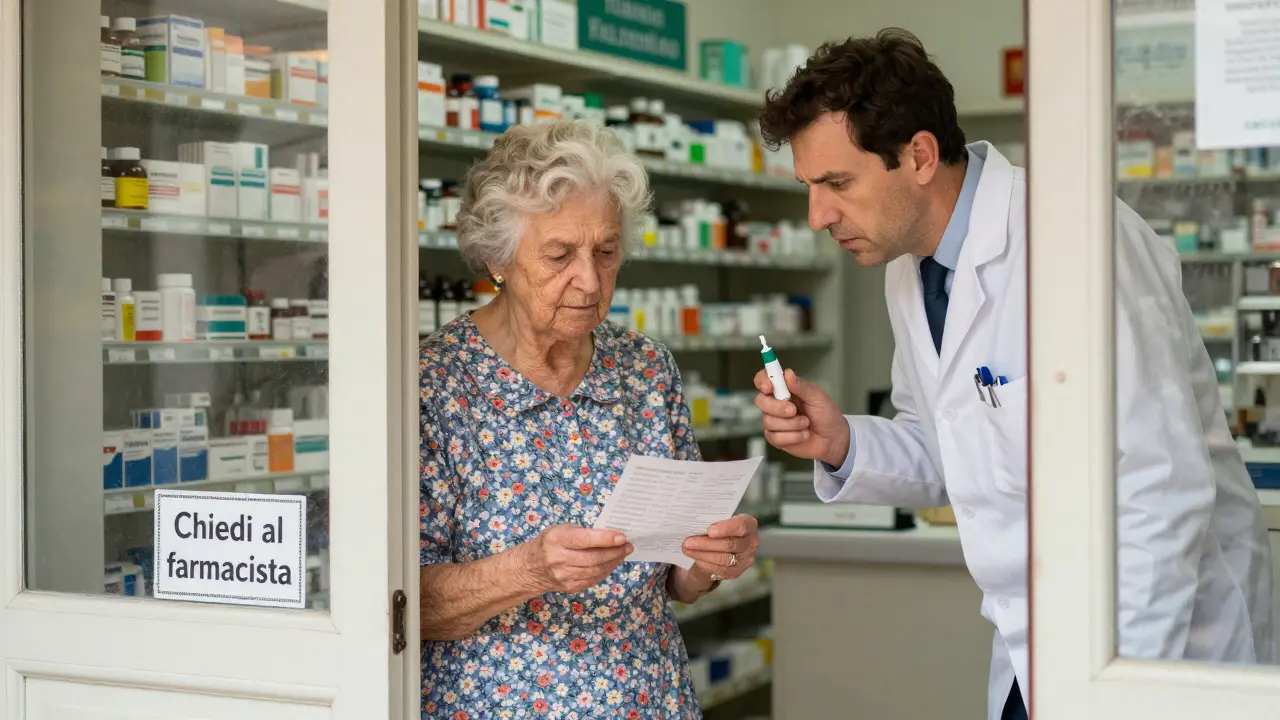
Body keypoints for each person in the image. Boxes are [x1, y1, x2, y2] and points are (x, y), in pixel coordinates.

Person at [753, 28, 1273, 720]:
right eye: (808, 188)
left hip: (1157, 643)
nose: (819, 215)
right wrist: (840, 441)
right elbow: (949, 451)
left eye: (837, 183)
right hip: (1037, 645)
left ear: (919, 156)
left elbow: (1164, 487)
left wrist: (1114, 691)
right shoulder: (910, 271)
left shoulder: (1078, 241)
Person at [417, 120, 761, 718]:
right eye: (559, 255)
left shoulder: (648, 371)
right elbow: (404, 606)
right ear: (498, 258)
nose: (590, 279)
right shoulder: (435, 384)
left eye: (605, 252)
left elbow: (673, 578)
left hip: (650, 699)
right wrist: (528, 569)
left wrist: (708, 564)